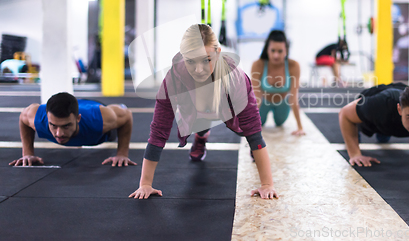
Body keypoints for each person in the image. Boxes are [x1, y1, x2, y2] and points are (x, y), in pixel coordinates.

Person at [129, 24, 279, 200]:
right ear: (183, 57)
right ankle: (201, 136)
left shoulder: (236, 78)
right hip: (196, 111)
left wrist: (267, 184)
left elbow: (254, 131)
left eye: (206, 60)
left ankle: (244, 148)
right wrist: (145, 184)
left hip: (227, 109)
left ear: (218, 53)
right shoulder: (173, 79)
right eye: (191, 61)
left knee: (250, 136)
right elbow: (159, 131)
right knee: (198, 120)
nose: (198, 69)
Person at [9, 92, 135, 167]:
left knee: (117, 114)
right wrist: (28, 154)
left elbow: (127, 116)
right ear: (47, 118)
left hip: (96, 115)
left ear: (78, 119)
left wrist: (122, 154)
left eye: (66, 126)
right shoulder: (36, 117)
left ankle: (119, 105)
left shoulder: (100, 120)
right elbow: (23, 118)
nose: (59, 133)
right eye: (53, 125)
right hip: (79, 109)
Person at [251, 30, 304, 136]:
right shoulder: (258, 65)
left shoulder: (293, 66)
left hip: (282, 104)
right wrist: (250, 127)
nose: (276, 55)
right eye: (273, 50)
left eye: (280, 51)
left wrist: (300, 127)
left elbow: (293, 98)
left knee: (279, 123)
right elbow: (256, 98)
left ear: (286, 51)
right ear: (267, 50)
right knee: (259, 123)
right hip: (263, 104)